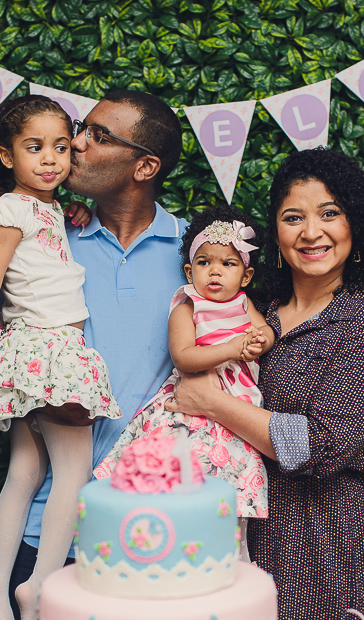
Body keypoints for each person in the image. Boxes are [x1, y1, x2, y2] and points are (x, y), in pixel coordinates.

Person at [165, 148, 364, 620]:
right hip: (242, 525)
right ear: (273, 232)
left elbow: (319, 445)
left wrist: (216, 404)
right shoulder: (259, 314)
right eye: (294, 217)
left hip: (326, 538)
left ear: (354, 223)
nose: (311, 231)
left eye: (329, 213)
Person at [6, 90, 187, 620]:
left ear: (145, 166)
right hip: (41, 535)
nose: (75, 143)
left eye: (99, 136)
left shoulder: (192, 251)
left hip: (153, 529)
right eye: (83, 128)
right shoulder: (44, 238)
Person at [0, 95, 121, 620]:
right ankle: (39, 583)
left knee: (25, 469)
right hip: (47, 349)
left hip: (36, 352)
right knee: (75, 471)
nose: (50, 159)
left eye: (61, 148)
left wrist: (71, 217)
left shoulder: (45, 210)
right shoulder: (12, 210)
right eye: (34, 147)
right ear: (5, 153)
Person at [94, 205, 273, 527]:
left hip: (236, 402)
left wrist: (262, 341)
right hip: (190, 400)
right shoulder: (188, 306)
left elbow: (265, 332)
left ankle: (217, 533)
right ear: (190, 272)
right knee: (176, 473)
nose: (214, 271)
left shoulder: (245, 305)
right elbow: (184, 358)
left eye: (228, 264)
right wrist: (231, 348)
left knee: (226, 474)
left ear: (246, 276)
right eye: (204, 263)